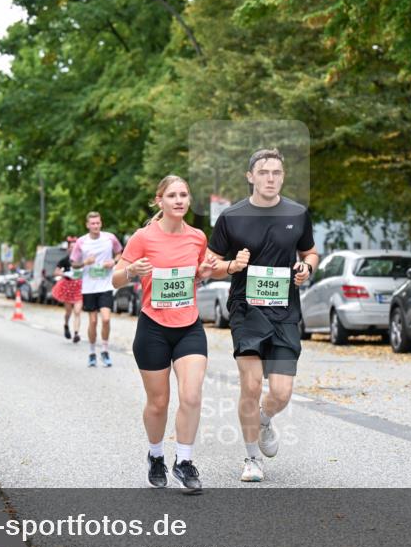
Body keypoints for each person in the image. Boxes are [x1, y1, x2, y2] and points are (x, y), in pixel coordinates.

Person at [206, 148, 319, 482]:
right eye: (264, 172)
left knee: (281, 392)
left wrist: (306, 269)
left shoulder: (298, 213)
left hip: (285, 312)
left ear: (283, 177)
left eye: (277, 173)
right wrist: (232, 266)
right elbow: (208, 266)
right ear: (250, 176)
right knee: (252, 384)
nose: (271, 178)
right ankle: (251, 458)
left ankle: (265, 419)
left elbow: (310, 252)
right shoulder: (232, 217)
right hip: (246, 311)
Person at [112, 176, 215, 493]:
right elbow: (115, 279)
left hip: (189, 326)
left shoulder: (197, 237)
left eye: (184, 194)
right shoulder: (143, 238)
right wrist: (132, 271)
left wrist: (208, 272)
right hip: (153, 328)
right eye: (172, 195)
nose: (179, 200)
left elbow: (202, 270)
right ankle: (156, 455)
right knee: (158, 402)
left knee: (192, 395)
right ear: (160, 201)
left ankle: (183, 462)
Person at [72, 212, 123, 367]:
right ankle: (92, 352)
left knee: (106, 318)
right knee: (93, 321)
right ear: (87, 225)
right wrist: (84, 262)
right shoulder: (81, 242)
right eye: (92, 223)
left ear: (101, 223)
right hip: (89, 287)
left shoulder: (110, 238)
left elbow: (120, 253)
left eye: (98, 223)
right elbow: (73, 263)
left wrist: (113, 261)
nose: (95, 226)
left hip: (106, 285)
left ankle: (105, 350)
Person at [52, 236, 83, 342]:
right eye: (71, 247)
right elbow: (56, 271)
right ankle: (66, 325)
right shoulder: (64, 261)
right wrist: (64, 273)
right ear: (68, 249)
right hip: (68, 288)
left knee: (77, 311)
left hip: (79, 287)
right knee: (68, 311)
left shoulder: (81, 259)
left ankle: (76, 333)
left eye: (76, 247)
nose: (73, 249)